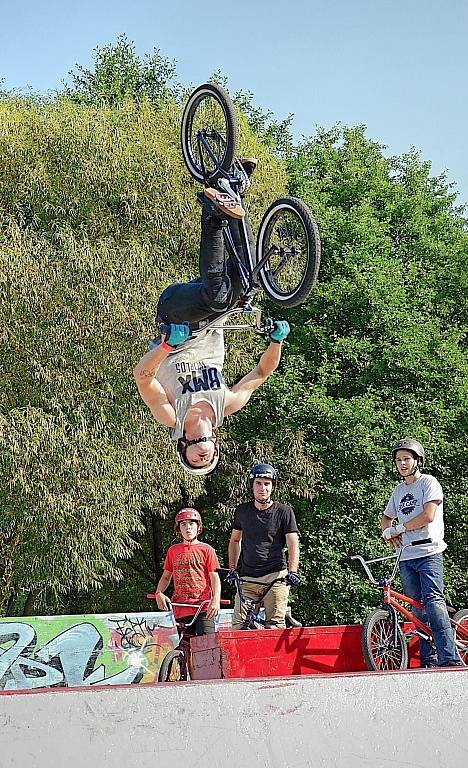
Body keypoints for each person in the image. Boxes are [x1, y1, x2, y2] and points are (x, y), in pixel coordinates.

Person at [133, 170, 291, 476]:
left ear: (184, 445)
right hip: (214, 318)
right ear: (215, 446)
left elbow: (142, 376)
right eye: (207, 459)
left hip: (175, 316)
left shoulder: (170, 415)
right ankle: (231, 182)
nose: (202, 456)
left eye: (195, 459)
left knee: (217, 297)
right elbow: (262, 371)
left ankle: (213, 214)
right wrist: (276, 341)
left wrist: (166, 345)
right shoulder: (227, 405)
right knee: (252, 278)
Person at [381, 438, 463, 668]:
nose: (402, 464)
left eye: (407, 459)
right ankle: (429, 658)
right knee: (416, 606)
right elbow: (386, 517)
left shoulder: (429, 483)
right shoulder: (398, 491)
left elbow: (428, 515)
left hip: (429, 551)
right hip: (407, 555)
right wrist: (388, 532)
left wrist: (401, 528)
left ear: (417, 460)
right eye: (398, 460)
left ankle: (450, 657)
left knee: (434, 601)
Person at [227, 463, 300, 629]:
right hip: (247, 579)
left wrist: (293, 571)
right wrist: (232, 568)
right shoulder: (242, 511)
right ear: (252, 485)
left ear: (272, 486)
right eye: (258, 483)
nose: (262, 488)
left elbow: (293, 543)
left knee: (274, 626)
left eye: (267, 484)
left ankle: (283, 620)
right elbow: (235, 540)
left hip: (275, 577)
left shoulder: (284, 511)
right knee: (239, 627)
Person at [155, 508, 221, 635]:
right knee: (185, 648)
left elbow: (214, 577)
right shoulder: (173, 550)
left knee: (207, 646)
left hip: (203, 607)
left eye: (191, 523)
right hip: (180, 607)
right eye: (183, 524)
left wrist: (216, 600)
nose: (188, 528)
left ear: (198, 527)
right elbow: (166, 577)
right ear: (179, 529)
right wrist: (159, 592)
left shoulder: (207, 550)